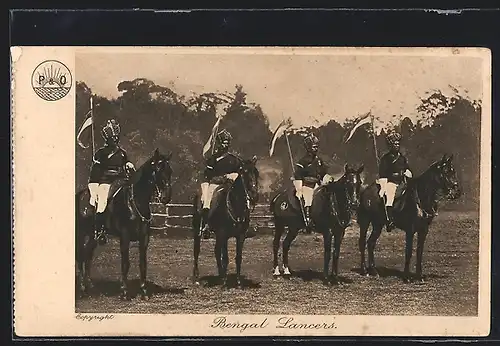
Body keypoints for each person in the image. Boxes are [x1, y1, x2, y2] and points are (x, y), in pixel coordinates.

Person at [88, 119, 135, 244]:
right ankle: (100, 231)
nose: (114, 140)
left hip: (121, 180)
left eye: (115, 138)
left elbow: (126, 164)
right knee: (102, 203)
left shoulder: (122, 153)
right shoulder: (101, 153)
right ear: (107, 139)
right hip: (105, 182)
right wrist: (96, 184)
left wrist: (129, 165)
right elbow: (96, 171)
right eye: (112, 138)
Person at [200, 129, 243, 237]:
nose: (225, 144)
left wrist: (233, 176)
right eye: (223, 142)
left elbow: (240, 172)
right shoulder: (212, 159)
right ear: (219, 143)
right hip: (215, 185)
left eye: (227, 142)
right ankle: (206, 225)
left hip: (230, 184)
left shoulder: (234, 160)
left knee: (242, 197)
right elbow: (207, 175)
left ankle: (244, 224)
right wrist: (217, 177)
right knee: (207, 201)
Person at [293, 133, 336, 230]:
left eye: (317, 147)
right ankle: (308, 220)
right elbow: (298, 175)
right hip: (307, 185)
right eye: (314, 147)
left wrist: (329, 178)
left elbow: (323, 173)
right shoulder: (302, 161)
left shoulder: (319, 161)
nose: (316, 149)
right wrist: (299, 188)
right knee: (308, 199)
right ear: (308, 148)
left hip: (318, 185)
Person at [378, 131, 413, 232]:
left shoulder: (402, 157)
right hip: (391, 182)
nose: (397, 146)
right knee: (390, 198)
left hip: (403, 182)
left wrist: (407, 172)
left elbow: (406, 167)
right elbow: (383, 173)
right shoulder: (386, 159)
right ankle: (390, 221)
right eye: (394, 144)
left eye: (398, 144)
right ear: (390, 146)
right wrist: (383, 187)